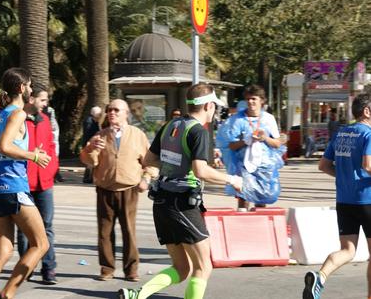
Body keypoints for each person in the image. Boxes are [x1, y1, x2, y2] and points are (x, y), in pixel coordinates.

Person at [118, 83, 242, 299]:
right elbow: (200, 170)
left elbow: (149, 160)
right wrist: (232, 179)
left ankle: (137, 295)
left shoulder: (170, 125)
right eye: (215, 107)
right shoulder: (198, 132)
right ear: (209, 106)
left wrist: (160, 171)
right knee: (204, 266)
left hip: (162, 203)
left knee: (182, 268)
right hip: (183, 204)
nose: (215, 112)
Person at [0, 68, 51, 299]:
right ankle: (6, 295)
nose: (31, 89)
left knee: (3, 252)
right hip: (13, 187)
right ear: (21, 88)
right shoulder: (18, 114)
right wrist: (34, 156)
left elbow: (1, 146)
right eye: (29, 85)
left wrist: (28, 151)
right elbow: (5, 147)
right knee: (41, 245)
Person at [80, 99, 157, 282]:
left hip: (129, 188)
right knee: (104, 232)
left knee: (129, 231)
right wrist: (91, 149)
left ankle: (131, 270)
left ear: (126, 113)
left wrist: (146, 178)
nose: (112, 113)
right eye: (109, 110)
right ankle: (107, 269)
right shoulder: (100, 136)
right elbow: (88, 161)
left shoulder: (137, 135)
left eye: (116, 110)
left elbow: (151, 162)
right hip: (105, 189)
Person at [303, 92, 371, 299]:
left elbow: (323, 165)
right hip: (367, 200)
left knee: (348, 250)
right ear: (367, 111)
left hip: (344, 201)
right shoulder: (368, 134)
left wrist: (343, 176)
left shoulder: (341, 133)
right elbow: (368, 165)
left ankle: (320, 277)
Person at [17, 84, 59, 284]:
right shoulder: (17, 119)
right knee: (25, 230)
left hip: (45, 183)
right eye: (42, 100)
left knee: (47, 227)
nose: (46, 104)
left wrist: (51, 170)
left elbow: (51, 146)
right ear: (31, 99)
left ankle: (49, 268)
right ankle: (27, 265)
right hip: (24, 183)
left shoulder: (44, 120)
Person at [220, 84, 283, 211]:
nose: (250, 102)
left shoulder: (269, 119)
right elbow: (231, 146)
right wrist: (246, 140)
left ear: (262, 100)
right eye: (248, 99)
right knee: (243, 199)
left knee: (262, 199)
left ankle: (260, 225)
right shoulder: (237, 119)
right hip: (244, 167)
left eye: (254, 98)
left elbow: (277, 143)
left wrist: (265, 138)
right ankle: (242, 225)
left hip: (265, 168)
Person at [82, 106, 102, 183]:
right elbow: (88, 133)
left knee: (91, 161)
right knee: (90, 161)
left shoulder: (94, 120)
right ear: (95, 113)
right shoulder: (89, 121)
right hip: (90, 143)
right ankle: (87, 178)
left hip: (91, 142)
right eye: (99, 113)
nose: (100, 115)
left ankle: (90, 177)